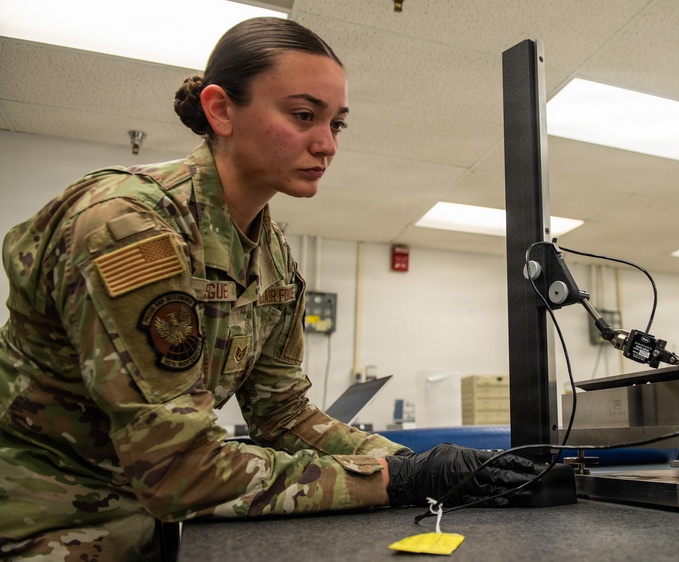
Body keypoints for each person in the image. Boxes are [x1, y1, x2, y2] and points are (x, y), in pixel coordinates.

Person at [0, 17, 536, 561]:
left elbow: (282, 415)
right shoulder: (128, 226)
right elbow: (177, 471)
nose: (326, 144)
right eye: (303, 116)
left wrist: (430, 466)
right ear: (221, 110)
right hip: (40, 528)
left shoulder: (271, 254)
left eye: (337, 124)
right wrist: (391, 479)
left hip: (148, 530)